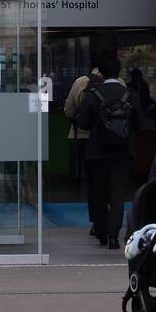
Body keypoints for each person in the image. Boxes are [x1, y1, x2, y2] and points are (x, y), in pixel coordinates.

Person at [76, 54, 139, 249]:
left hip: (96, 152)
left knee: (99, 193)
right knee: (118, 195)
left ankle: (101, 233)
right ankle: (114, 237)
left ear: (100, 73)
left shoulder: (93, 95)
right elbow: (140, 123)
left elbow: (84, 124)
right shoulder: (130, 95)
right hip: (122, 152)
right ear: (119, 72)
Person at [64, 65, 103, 237]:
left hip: (84, 138)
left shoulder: (80, 82)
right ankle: (111, 225)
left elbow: (68, 110)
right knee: (112, 185)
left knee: (93, 183)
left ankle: (96, 222)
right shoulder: (119, 83)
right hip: (112, 140)